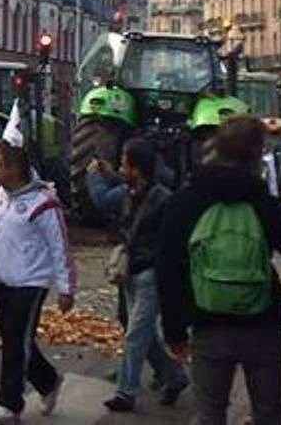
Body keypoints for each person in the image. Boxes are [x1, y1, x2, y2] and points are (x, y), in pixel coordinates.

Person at [156, 114, 281, 425]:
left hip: (208, 322)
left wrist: (174, 329)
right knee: (269, 413)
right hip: (263, 321)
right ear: (257, 154)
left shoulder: (186, 201)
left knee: (210, 412)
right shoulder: (264, 203)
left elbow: (168, 267)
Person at [0, 139, 75, 422]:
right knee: (14, 338)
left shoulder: (44, 203)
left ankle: (10, 404)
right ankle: (48, 381)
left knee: (16, 340)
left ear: (15, 169)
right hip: (3, 279)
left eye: (0, 165)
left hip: (31, 282)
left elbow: (59, 246)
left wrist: (66, 288)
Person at [85, 141, 187, 411]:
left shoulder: (156, 198)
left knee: (136, 333)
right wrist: (108, 174)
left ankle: (125, 393)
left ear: (136, 169)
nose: (120, 167)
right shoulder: (134, 190)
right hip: (131, 272)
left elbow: (101, 201)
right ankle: (174, 376)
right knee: (145, 335)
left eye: (124, 163)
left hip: (150, 274)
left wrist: (94, 175)